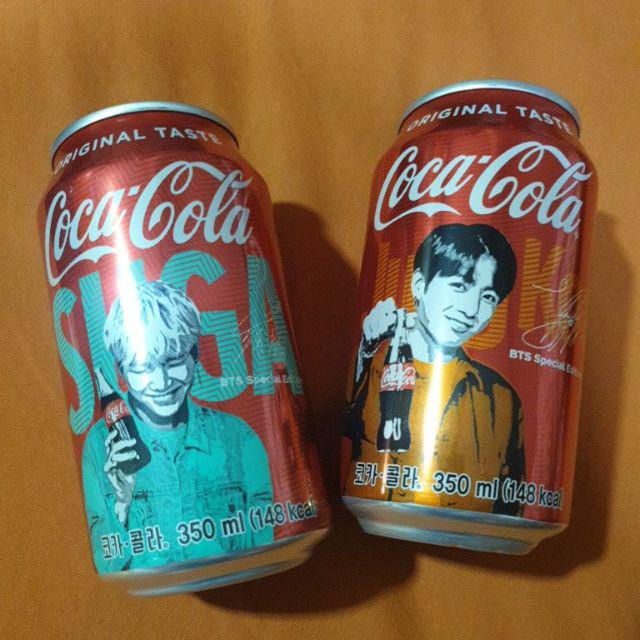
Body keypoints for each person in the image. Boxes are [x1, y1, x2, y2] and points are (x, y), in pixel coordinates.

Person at [82, 280, 274, 573]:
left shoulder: (239, 438)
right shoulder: (99, 448)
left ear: (194, 355)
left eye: (173, 361)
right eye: (143, 366)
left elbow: (265, 536)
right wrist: (121, 504)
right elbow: (106, 563)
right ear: (122, 373)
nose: (161, 382)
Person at [345, 223, 524, 515]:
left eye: (488, 297)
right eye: (460, 286)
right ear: (420, 285)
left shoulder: (502, 397)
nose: (471, 310)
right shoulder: (372, 365)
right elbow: (344, 428)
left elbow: (512, 501)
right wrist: (366, 350)